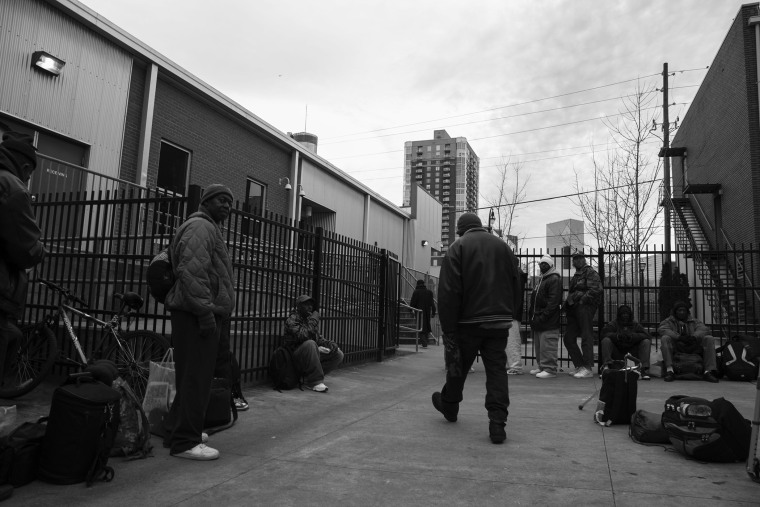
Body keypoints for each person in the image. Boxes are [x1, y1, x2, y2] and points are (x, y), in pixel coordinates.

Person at [431, 212, 521, 444]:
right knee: (497, 372)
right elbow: (516, 283)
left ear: (461, 230)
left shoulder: (458, 246)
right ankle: (497, 423)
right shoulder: (504, 248)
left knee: (458, 367)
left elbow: (449, 291)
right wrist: (511, 313)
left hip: (468, 322)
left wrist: (449, 329)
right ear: (480, 226)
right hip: (500, 321)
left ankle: (450, 406)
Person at [163, 184, 236, 461]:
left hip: (194, 313)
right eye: (221, 200)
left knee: (191, 377)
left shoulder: (207, 227)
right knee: (197, 378)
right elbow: (193, 273)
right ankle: (185, 442)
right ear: (206, 202)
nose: (227, 206)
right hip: (197, 315)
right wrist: (205, 313)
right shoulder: (201, 227)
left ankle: (175, 429)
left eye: (229, 202)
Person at [0, 132, 47, 385]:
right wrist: (41, 249)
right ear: (25, 167)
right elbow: (28, 250)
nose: (28, 180)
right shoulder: (13, 188)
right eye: (30, 175)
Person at [283, 294, 344, 392]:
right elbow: (303, 336)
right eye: (306, 304)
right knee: (311, 344)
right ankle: (315, 382)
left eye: (311, 304)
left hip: (310, 354)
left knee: (338, 354)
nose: (310, 307)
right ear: (299, 306)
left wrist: (331, 345)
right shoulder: (292, 319)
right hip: (294, 357)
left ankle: (308, 378)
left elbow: (318, 338)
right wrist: (314, 320)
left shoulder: (309, 320)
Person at [657, 300, 719, 383]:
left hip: (693, 346)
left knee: (709, 338)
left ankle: (708, 371)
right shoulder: (668, 321)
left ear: (687, 312)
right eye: (679, 310)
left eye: (684, 310)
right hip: (677, 347)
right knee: (665, 338)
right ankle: (670, 370)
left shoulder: (694, 321)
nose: (682, 312)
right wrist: (678, 337)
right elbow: (662, 329)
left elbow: (704, 329)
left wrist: (694, 337)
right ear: (675, 312)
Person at [562, 251, 603, 379]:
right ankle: (580, 365)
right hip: (574, 309)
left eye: (580, 258)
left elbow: (596, 289)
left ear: (584, 259)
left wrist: (581, 300)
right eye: (575, 259)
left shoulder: (590, 272)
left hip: (585, 308)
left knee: (586, 336)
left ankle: (588, 368)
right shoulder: (576, 275)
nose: (577, 260)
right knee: (568, 338)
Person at [527, 255, 562, 378]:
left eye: (545, 264)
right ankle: (542, 366)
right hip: (538, 319)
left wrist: (543, 316)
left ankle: (550, 369)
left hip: (548, 320)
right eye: (541, 263)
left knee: (548, 345)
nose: (542, 266)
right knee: (540, 346)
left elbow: (553, 302)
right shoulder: (542, 279)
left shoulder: (553, 279)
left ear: (551, 265)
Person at [600, 304, 651, 380]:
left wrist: (633, 336)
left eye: (627, 314)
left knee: (646, 342)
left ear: (630, 315)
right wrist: (617, 336)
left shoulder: (635, 324)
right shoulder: (613, 324)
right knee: (606, 340)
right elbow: (604, 334)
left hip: (632, 354)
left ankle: (643, 369)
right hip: (618, 352)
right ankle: (607, 367)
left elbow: (647, 335)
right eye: (623, 314)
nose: (625, 316)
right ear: (619, 315)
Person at [506, 262, 527, 375]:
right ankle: (513, 365)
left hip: (511, 313)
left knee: (512, 341)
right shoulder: (517, 274)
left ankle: (515, 366)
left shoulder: (515, 275)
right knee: (510, 341)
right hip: (512, 313)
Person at [410, 279, 436, 348]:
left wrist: (411, 310)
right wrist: (433, 312)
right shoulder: (429, 292)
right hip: (427, 312)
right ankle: (425, 342)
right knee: (426, 326)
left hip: (419, 312)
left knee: (420, 326)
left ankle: (424, 343)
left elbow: (412, 303)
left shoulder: (416, 292)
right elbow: (432, 304)